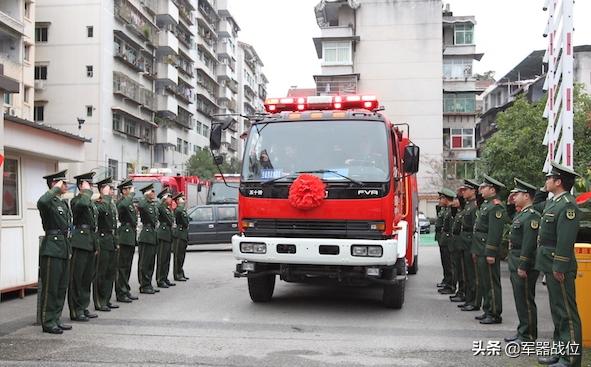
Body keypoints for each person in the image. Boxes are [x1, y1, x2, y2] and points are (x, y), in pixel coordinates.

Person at [535, 162, 582, 367]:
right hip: (549, 261)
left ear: (558, 181)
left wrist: (560, 265)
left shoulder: (568, 205)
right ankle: (559, 352)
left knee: (567, 314)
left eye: (549, 178)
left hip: (558, 263)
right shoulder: (555, 202)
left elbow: (565, 238)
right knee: (557, 311)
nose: (546, 181)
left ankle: (571, 359)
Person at [503, 178, 540, 344]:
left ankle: (529, 336)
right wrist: (510, 203)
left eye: (517, 194)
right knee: (520, 299)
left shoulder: (532, 216)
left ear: (526, 196)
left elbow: (529, 243)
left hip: (523, 262)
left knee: (525, 299)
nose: (514, 196)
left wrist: (523, 265)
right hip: (515, 260)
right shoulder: (522, 214)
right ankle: (522, 331)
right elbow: (510, 216)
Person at [37, 170, 73, 334]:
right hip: (52, 248)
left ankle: (56, 318)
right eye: (62, 182)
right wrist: (54, 189)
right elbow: (41, 201)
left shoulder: (62, 203)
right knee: (51, 287)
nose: (65, 185)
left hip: (63, 247)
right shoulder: (48, 202)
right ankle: (48, 321)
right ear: (54, 184)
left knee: (60, 287)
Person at [473, 174, 507, 325]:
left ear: (492, 189)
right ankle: (487, 309)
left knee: (492, 282)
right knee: (485, 281)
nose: (481, 190)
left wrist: (491, 252)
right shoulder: (487, 205)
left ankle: (494, 313)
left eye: (484, 187)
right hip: (480, 248)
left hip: (487, 248)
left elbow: (495, 231)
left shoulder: (496, 206)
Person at [68, 171, 99, 322]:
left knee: (87, 277)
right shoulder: (76, 200)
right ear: (81, 185)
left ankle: (83, 306)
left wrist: (96, 244)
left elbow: (94, 225)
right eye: (88, 184)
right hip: (80, 241)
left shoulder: (90, 202)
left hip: (90, 241)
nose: (91, 187)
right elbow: (82, 204)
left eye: (91, 184)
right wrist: (86, 191)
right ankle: (75, 310)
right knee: (77, 278)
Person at [93, 177, 119, 312]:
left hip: (111, 239)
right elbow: (101, 212)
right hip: (102, 240)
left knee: (110, 272)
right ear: (102, 190)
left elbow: (114, 224)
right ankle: (99, 301)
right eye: (109, 188)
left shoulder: (111, 204)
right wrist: (105, 196)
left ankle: (107, 299)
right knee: (101, 273)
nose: (112, 191)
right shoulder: (99, 203)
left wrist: (116, 241)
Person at [459, 179, 481, 312]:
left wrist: (474, 247)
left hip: (470, 243)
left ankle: (474, 301)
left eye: (466, 189)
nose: (463, 192)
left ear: (473, 191)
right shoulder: (468, 205)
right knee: (467, 273)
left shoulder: (474, 206)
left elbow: (474, 229)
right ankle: (468, 299)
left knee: (472, 275)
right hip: (464, 243)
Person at [115, 178, 138, 303]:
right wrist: (131, 195)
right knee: (122, 266)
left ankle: (125, 289)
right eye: (128, 189)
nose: (130, 191)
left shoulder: (129, 202)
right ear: (123, 191)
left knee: (127, 266)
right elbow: (122, 206)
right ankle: (121, 292)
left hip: (130, 236)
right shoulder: (122, 202)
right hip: (124, 236)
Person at [137, 183, 159, 294]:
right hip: (146, 234)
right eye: (152, 191)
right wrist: (144, 196)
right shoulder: (144, 203)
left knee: (151, 262)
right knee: (144, 262)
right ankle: (144, 285)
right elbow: (140, 206)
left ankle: (148, 283)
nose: (154, 193)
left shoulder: (152, 205)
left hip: (152, 234)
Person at [436, 188, 456, 294]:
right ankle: (447, 282)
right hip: (444, 239)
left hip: (448, 240)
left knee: (449, 264)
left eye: (441, 198)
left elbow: (451, 227)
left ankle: (450, 285)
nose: (439, 200)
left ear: (445, 198)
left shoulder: (450, 210)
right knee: (445, 262)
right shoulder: (445, 209)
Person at [156, 188, 175, 288]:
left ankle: (165, 277)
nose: (171, 199)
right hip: (163, 234)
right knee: (162, 258)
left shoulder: (167, 208)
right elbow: (169, 220)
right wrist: (162, 200)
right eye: (169, 197)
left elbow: (171, 220)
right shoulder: (161, 207)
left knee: (167, 258)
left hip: (167, 234)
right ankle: (160, 279)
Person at [449, 192, 466, 303]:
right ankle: (460, 291)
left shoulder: (465, 211)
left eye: (456, 199)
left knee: (462, 270)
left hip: (462, 243)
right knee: (457, 269)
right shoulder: (459, 212)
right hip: (456, 243)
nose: (453, 202)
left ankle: (463, 292)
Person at [172, 192, 190, 282]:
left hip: (183, 233)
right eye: (182, 198)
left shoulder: (182, 210)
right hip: (179, 234)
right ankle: (177, 274)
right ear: (178, 201)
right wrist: (182, 206)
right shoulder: (179, 210)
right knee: (178, 256)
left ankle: (180, 272)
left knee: (182, 256)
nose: (184, 200)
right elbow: (185, 222)